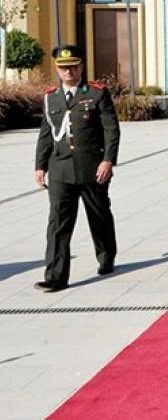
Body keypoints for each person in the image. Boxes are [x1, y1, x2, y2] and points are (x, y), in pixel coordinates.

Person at [34, 45, 120, 292]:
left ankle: (106, 256)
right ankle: (55, 276)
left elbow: (111, 130)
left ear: (81, 66)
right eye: (63, 67)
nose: (68, 71)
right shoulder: (51, 96)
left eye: (72, 66)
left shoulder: (96, 94)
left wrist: (108, 160)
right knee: (58, 223)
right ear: (57, 70)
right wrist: (40, 165)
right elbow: (46, 133)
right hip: (60, 169)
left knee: (99, 214)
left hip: (92, 168)